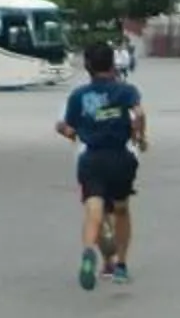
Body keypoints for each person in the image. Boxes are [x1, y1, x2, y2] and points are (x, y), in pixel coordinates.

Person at [55, 39, 146, 290]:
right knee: (121, 209)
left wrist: (67, 131)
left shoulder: (79, 95)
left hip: (91, 159)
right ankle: (121, 266)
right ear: (113, 64)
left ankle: (88, 251)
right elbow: (139, 114)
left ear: (87, 66)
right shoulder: (126, 91)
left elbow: (67, 126)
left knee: (94, 210)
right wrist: (140, 136)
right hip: (120, 157)